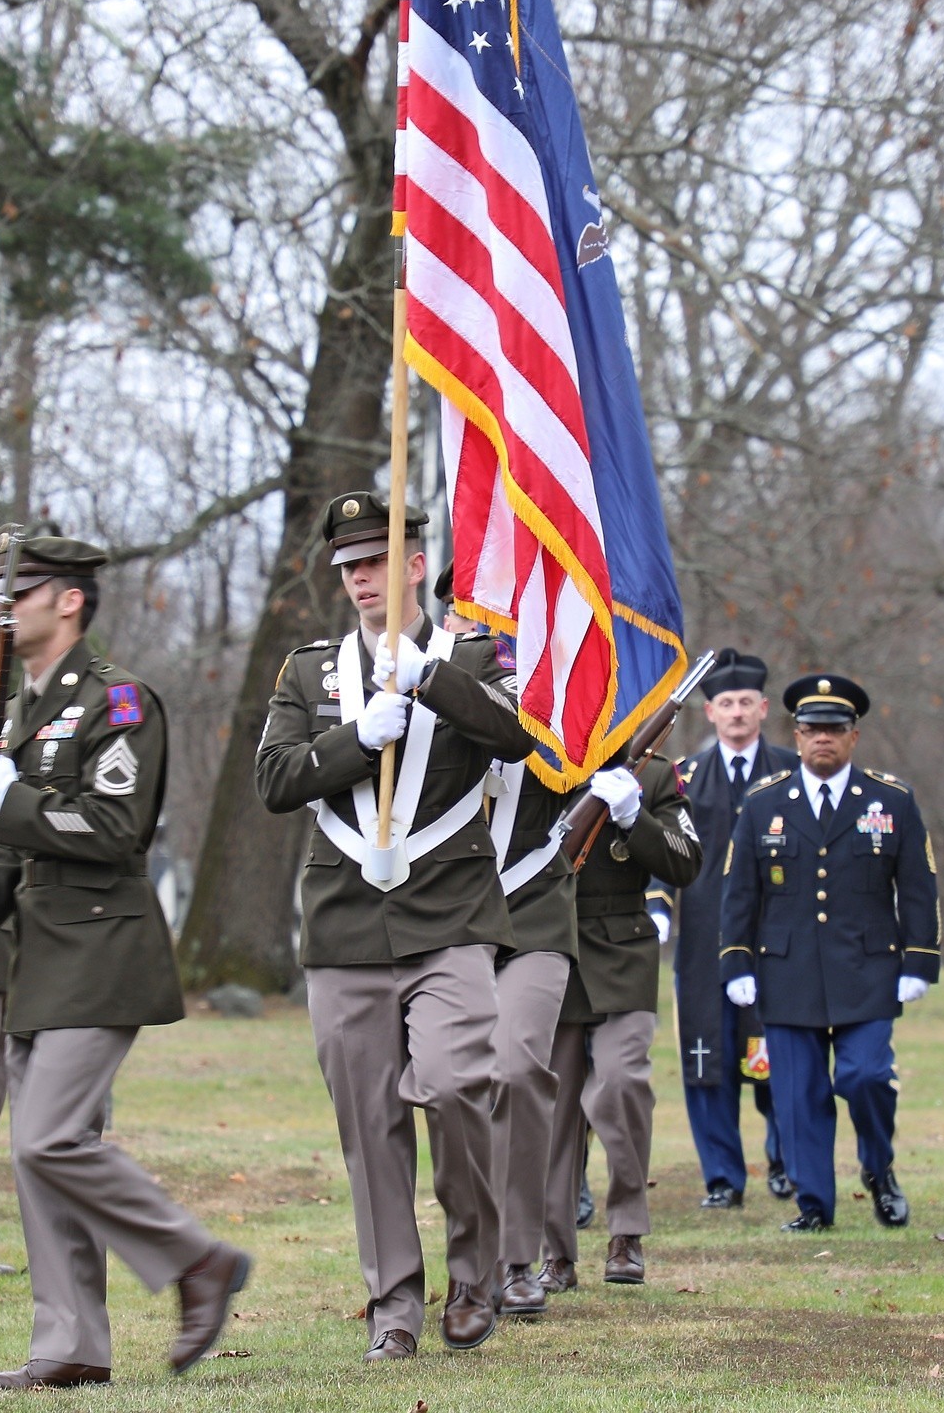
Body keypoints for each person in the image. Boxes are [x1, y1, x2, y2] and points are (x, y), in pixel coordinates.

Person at [0, 536, 250, 1389]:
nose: (5, 609)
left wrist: (8, 798)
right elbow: (15, 846)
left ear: (69, 600)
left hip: (100, 944)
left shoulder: (117, 700)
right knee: (43, 1149)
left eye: (22, 592)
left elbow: (114, 830)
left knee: (47, 1139)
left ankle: (198, 1261)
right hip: (36, 952)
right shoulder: (15, 710)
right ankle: (71, 1341)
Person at [257, 496, 533, 1360]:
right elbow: (275, 778)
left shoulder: (475, 654)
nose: (359, 578)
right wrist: (352, 738)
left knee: (455, 1088)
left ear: (417, 563)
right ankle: (394, 1308)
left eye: (374, 560)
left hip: (449, 913)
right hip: (345, 921)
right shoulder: (309, 671)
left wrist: (427, 679)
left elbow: (512, 735)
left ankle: (475, 1270)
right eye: (346, 566)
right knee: (368, 1123)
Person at [720, 675, 938, 1232]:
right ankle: (814, 1203)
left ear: (853, 737)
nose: (823, 739)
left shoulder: (891, 800)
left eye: (834, 730)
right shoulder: (763, 803)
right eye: (813, 729)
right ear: (795, 736)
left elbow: (916, 886)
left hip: (867, 969)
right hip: (786, 971)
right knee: (798, 1096)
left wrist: (919, 959)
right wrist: (736, 961)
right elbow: (740, 891)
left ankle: (879, 1168)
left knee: (865, 1077)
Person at [432, 565, 573, 1321]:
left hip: (535, 905)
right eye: (466, 616)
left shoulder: (548, 676)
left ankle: (519, 1258)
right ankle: (468, 1258)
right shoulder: (428, 683)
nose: (482, 630)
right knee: (454, 1083)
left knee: (518, 1069)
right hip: (451, 913)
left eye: (496, 615)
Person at [540, 738, 701, 1290]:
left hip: (622, 950)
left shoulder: (654, 776)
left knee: (620, 1083)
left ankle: (626, 1231)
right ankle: (554, 1251)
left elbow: (686, 861)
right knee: (554, 1109)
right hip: (548, 946)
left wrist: (635, 817)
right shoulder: (539, 761)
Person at [672, 649, 796, 1209]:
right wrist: (656, 907)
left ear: (764, 708)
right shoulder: (684, 779)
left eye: (747, 702)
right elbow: (662, 853)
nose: (738, 712)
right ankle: (723, 1176)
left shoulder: (794, 775)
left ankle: (786, 1164)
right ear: (710, 712)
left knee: (776, 1055)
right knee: (708, 1060)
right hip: (702, 942)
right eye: (727, 703)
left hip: (777, 941)